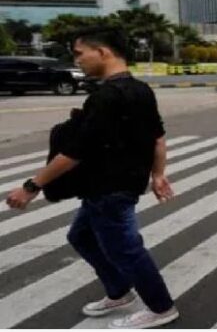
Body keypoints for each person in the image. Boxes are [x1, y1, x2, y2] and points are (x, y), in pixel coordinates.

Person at [6, 27, 179, 328]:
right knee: (81, 236)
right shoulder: (141, 89)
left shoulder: (106, 97)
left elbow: (76, 152)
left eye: (79, 53)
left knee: (125, 249)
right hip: (111, 186)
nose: (78, 60)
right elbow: (158, 137)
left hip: (110, 188)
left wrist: (31, 187)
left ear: (102, 52)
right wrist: (158, 174)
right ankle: (119, 291)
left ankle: (161, 307)